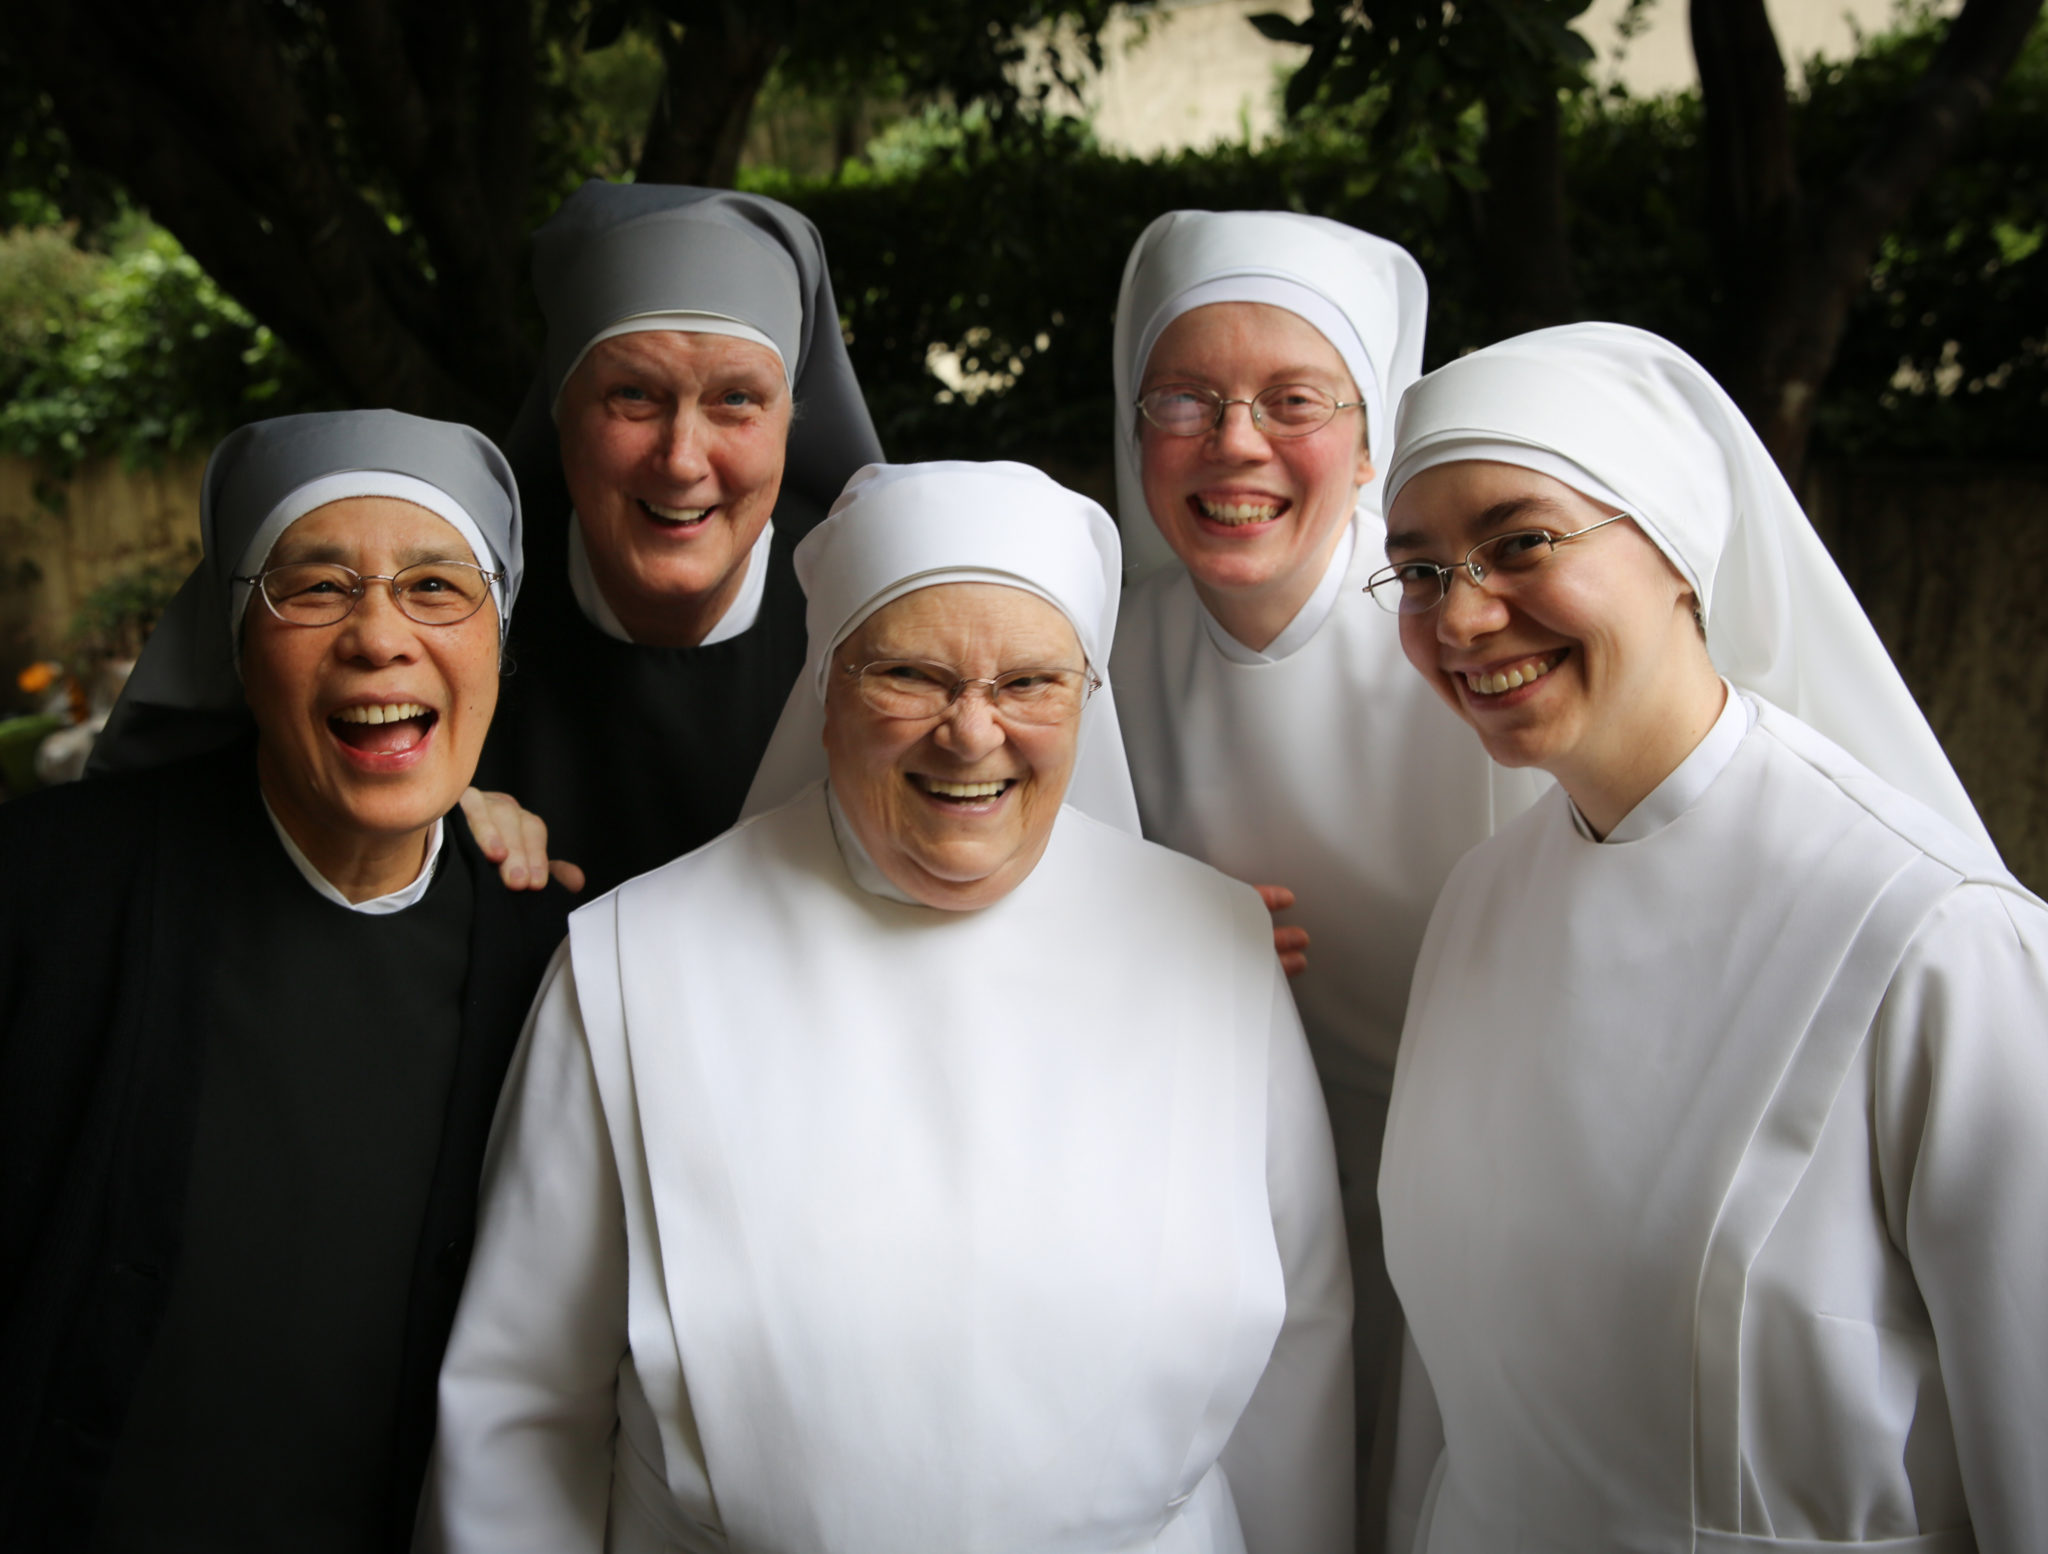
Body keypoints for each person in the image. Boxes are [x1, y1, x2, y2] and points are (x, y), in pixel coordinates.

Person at [422, 461, 1355, 1554]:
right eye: (909, 675)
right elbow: (523, 1403)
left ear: (1085, 698)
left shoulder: (1212, 944)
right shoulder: (633, 962)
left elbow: (1300, 1356)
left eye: (1028, 683)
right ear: (825, 685)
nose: (971, 732)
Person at [1372, 323, 2045, 1553]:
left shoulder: (1935, 938)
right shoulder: (1476, 903)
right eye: (1416, 572)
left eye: (1518, 542)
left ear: (1677, 554)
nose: (1459, 618)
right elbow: (1452, 1387)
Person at [0, 411, 573, 1552]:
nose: (378, 638)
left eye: (434, 588)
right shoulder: (40, 892)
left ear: (498, 639)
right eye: (315, 588)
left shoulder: (560, 964)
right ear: (234, 639)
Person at [1107, 209, 1545, 1488]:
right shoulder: (1086, 657)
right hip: (1200, 1223)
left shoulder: (1478, 648)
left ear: (1370, 441)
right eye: (1182, 398)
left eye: (1292, 398)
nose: (1232, 441)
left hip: (1479, 1213)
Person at [470, 180, 884, 897]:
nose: (683, 460)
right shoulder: (450, 618)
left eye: (735, 401)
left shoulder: (876, 628)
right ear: (561, 407)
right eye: (633, 394)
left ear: (792, 420)